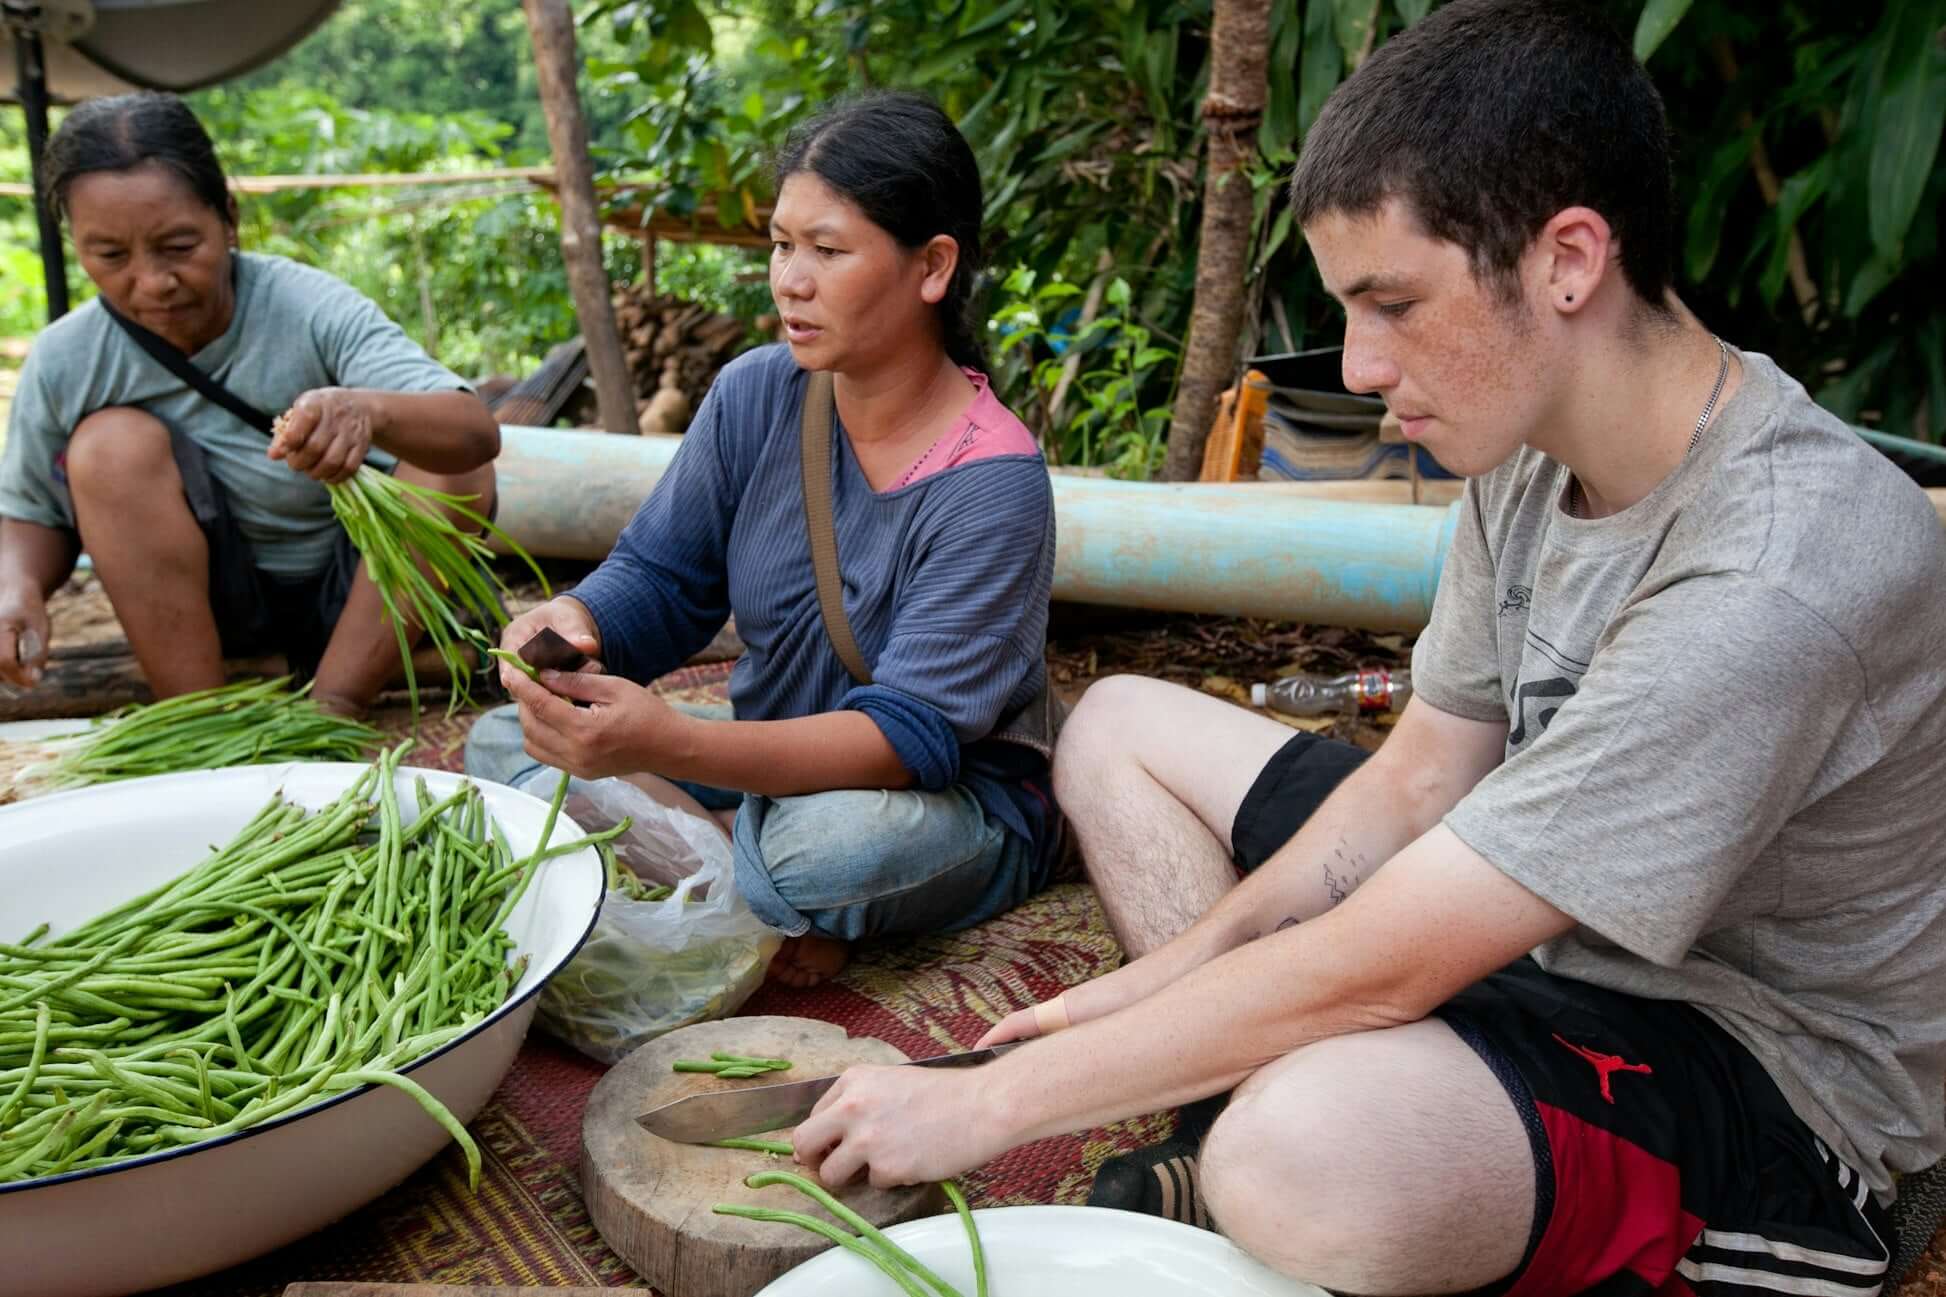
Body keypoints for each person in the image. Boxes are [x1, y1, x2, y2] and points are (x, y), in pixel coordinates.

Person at [780, 3, 1946, 1293]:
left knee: (1300, 1152)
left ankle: (1250, 1125)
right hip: (1533, 927)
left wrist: (994, 1102)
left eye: (1392, 302)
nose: (1359, 362)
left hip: (1761, 1069)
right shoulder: (1527, 447)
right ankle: (1239, 1084)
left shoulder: (1773, 571)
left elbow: (1399, 948)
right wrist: (1169, 976)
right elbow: (1415, 782)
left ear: (1566, 259)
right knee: (1113, 727)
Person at [466, 91, 1059, 989]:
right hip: (764, 769)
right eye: (783, 244)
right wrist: (574, 616)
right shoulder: (755, 393)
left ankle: (750, 884)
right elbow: (664, 578)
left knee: (821, 853)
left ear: (933, 266)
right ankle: (752, 892)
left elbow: (905, 741)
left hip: (933, 803)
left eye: (827, 249)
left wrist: (668, 747)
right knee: (508, 742)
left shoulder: (995, 483)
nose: (789, 279)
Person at [0, 92, 499, 718]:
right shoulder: (68, 358)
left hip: (362, 599)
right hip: (211, 610)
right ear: (77, 245)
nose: (153, 282)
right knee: (106, 447)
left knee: (451, 463)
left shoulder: (308, 306)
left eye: (180, 246)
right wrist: (15, 585)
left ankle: (334, 706)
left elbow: (474, 432)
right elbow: (27, 514)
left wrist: (368, 411)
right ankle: (197, 718)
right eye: (111, 256)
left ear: (228, 219)